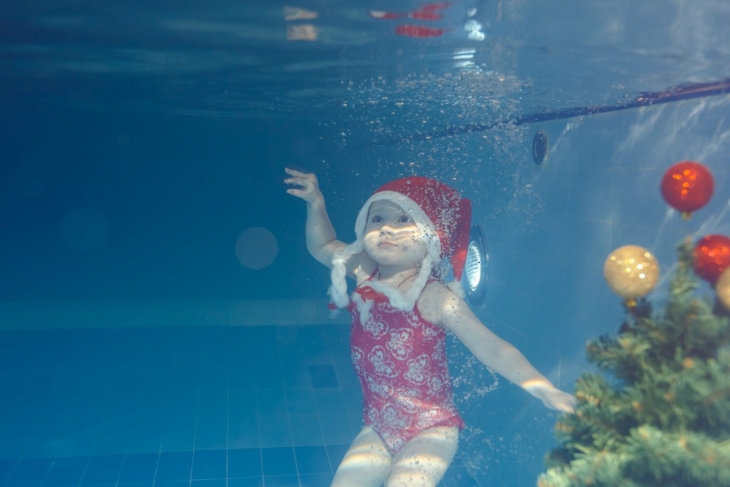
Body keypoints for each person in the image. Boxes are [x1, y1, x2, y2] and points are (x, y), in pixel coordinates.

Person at [284, 168, 576, 487]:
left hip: (431, 427)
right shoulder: (365, 272)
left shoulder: (435, 296)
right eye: (377, 219)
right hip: (378, 425)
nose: (387, 229)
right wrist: (316, 203)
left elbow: (491, 347)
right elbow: (322, 245)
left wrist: (544, 389)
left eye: (403, 220)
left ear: (431, 236)